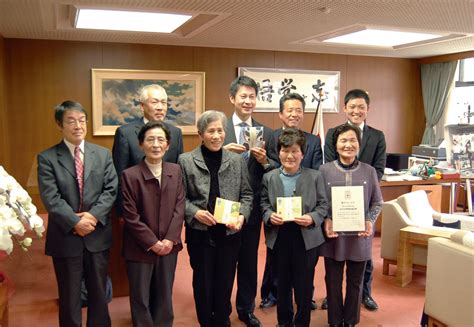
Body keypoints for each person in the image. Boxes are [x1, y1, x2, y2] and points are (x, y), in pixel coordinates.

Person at [37, 100, 118, 326]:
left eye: (82, 120)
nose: (78, 126)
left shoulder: (102, 155)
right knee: (70, 295)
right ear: (59, 125)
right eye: (71, 121)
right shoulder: (47, 158)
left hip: (97, 233)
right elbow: (51, 198)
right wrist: (75, 222)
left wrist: (92, 217)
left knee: (99, 292)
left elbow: (111, 189)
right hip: (65, 236)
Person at [178, 110, 253, 327]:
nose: (216, 135)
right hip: (200, 233)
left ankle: (222, 320)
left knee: (225, 281)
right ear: (201, 134)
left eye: (220, 130)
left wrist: (242, 216)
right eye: (211, 131)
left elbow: (247, 194)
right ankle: (206, 322)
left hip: (229, 232)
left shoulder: (237, 160)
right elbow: (179, 198)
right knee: (202, 282)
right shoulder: (186, 160)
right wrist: (194, 212)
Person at [323, 89, 386, 311]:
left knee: (362, 254)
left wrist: (364, 186)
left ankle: (364, 293)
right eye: (352, 106)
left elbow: (378, 169)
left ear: (367, 109)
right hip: (337, 202)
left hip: (364, 201)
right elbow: (330, 165)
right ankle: (332, 298)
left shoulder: (377, 136)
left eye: (361, 107)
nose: (356, 111)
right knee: (335, 252)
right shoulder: (333, 133)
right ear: (345, 108)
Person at [261, 92, 323, 310]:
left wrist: (310, 213)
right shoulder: (272, 137)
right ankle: (274, 295)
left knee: (305, 272)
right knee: (279, 268)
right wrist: (270, 214)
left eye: (299, 110)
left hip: (305, 215)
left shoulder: (314, 141)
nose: (294, 114)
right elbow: (270, 168)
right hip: (279, 214)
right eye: (290, 109)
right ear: (281, 113)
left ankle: (305, 300)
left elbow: (316, 175)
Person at [223, 76, 276, 327]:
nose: (248, 101)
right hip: (225, 207)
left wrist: (265, 160)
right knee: (224, 260)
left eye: (252, 96)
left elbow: (275, 170)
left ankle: (246, 309)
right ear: (232, 98)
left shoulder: (266, 132)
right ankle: (221, 309)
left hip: (253, 207)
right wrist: (223, 153)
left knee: (248, 261)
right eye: (243, 96)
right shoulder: (218, 128)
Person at [121, 121, 185, 327]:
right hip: (140, 247)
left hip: (169, 246)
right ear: (141, 144)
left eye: (161, 140)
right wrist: (152, 242)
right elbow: (130, 216)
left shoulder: (175, 171)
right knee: (140, 296)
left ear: (167, 145)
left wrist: (168, 240)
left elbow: (179, 207)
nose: (156, 144)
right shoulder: (129, 175)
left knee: (165, 294)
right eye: (150, 139)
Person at [112, 84, 184, 214]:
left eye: (163, 102)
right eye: (155, 102)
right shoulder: (125, 133)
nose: (160, 107)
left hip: (168, 209)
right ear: (142, 106)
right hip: (136, 209)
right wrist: (122, 213)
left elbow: (178, 176)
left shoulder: (175, 133)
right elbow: (119, 177)